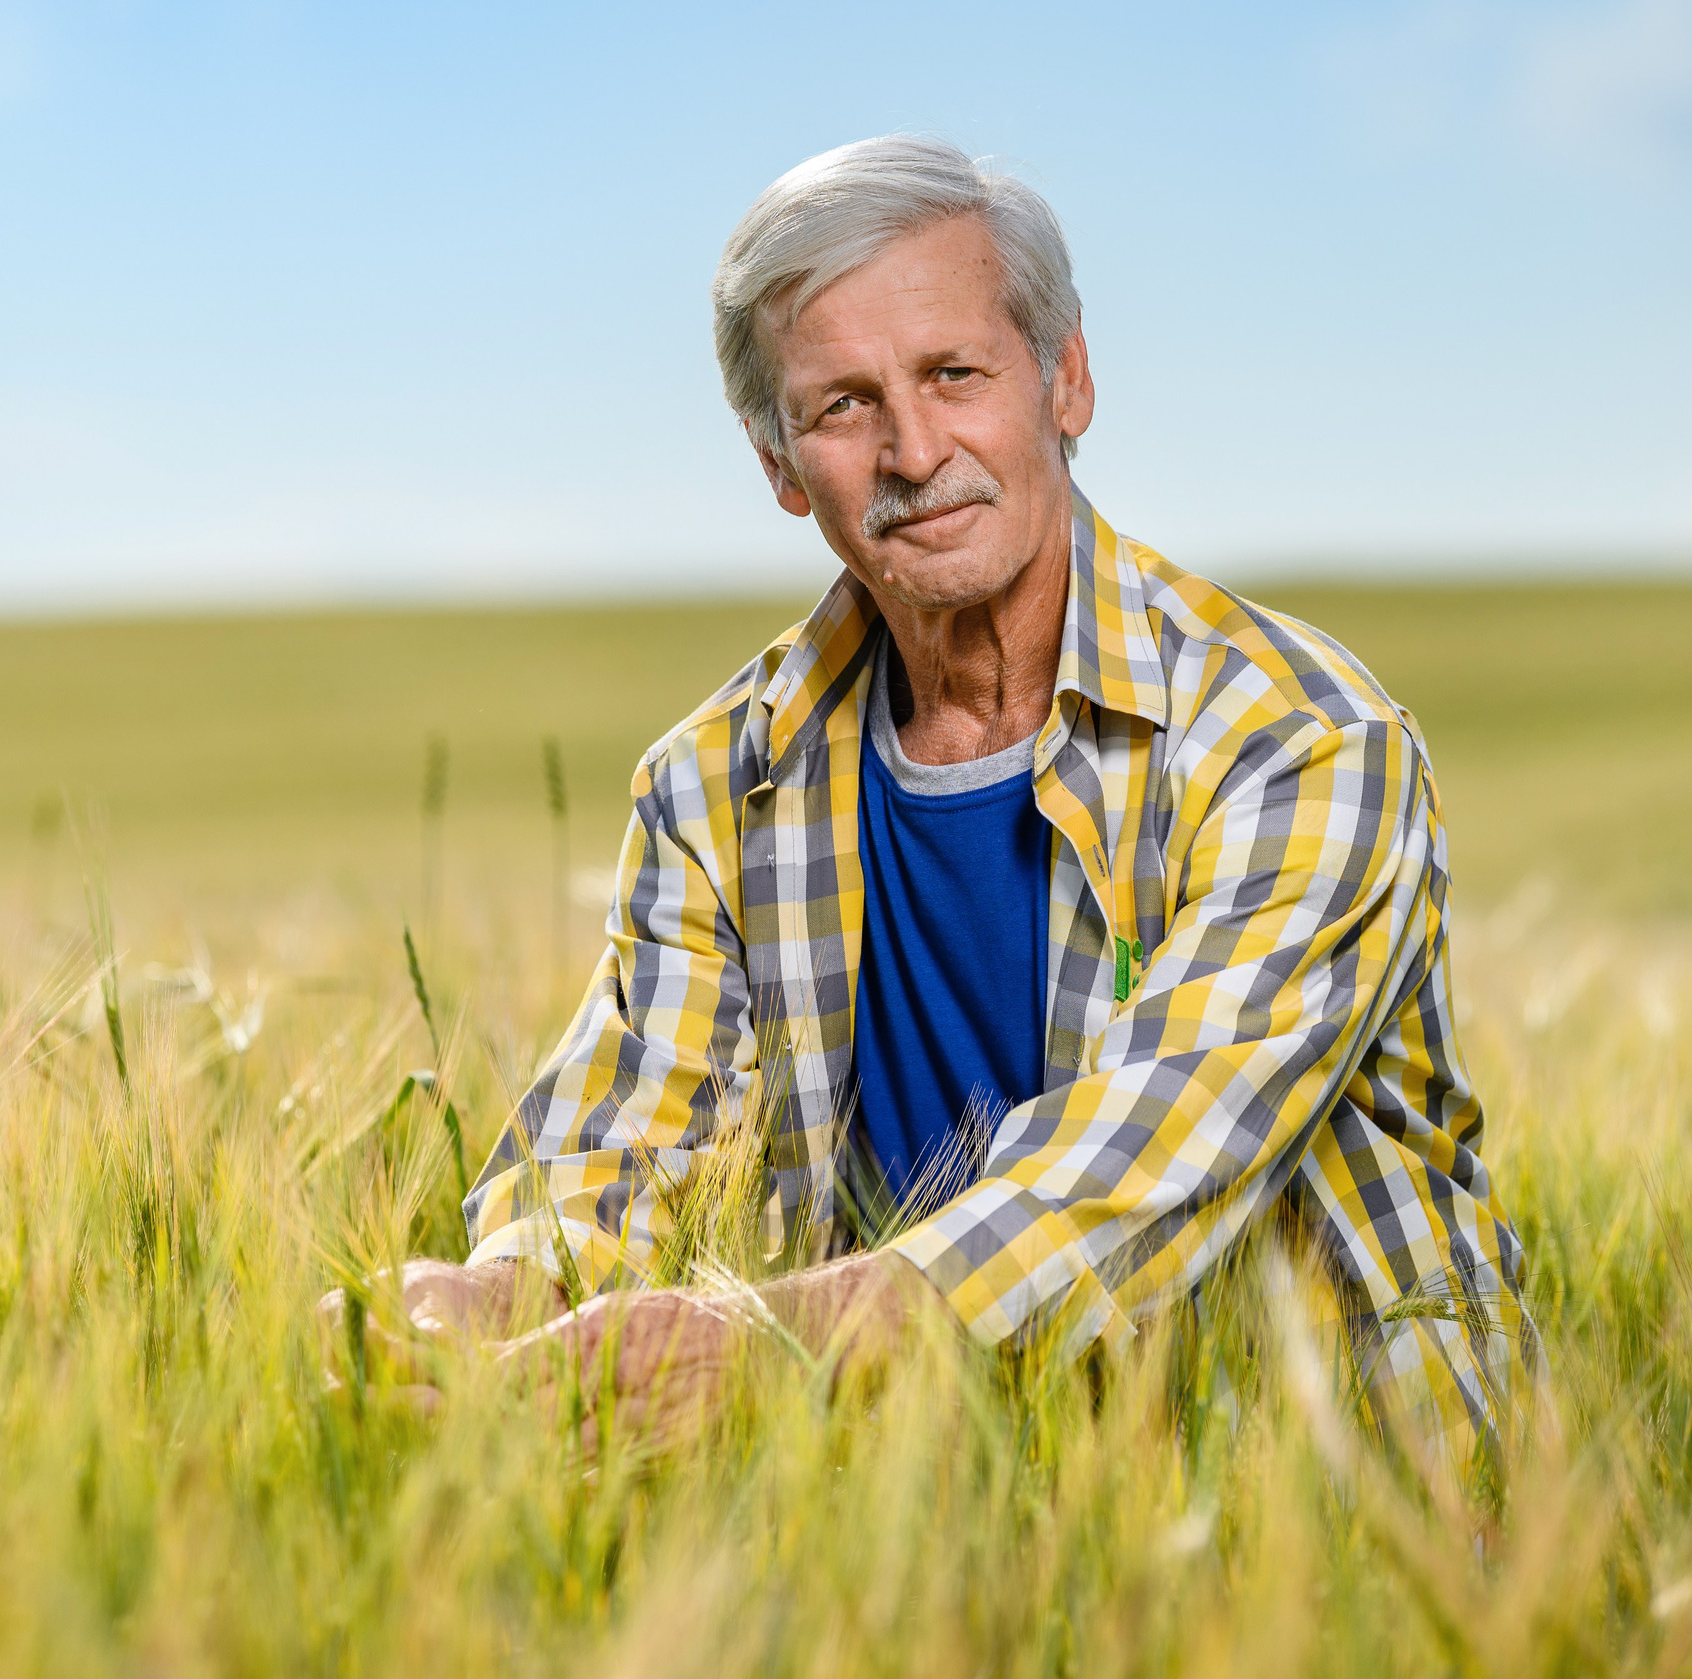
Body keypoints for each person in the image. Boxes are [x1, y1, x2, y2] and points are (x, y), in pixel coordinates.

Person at [326, 135, 1529, 1456]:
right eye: (841, 405)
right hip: (921, 1513)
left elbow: (1151, 1168)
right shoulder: (715, 785)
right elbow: (626, 1146)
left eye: (956, 374)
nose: (913, 448)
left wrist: (766, 1343)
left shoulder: (1298, 742)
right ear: (780, 464)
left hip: (1322, 1524)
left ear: (1065, 379)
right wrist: (503, 1300)